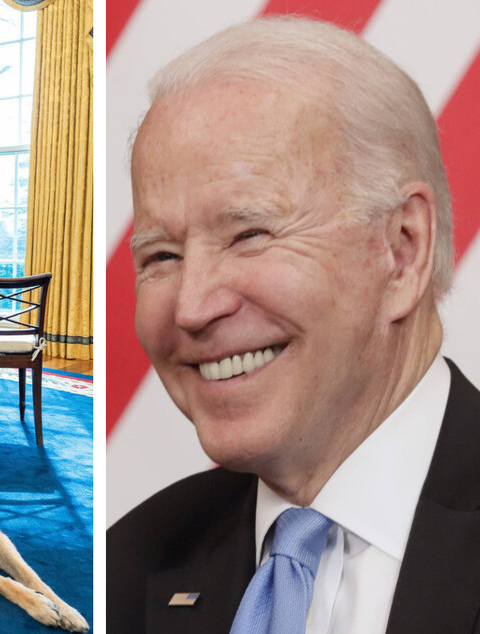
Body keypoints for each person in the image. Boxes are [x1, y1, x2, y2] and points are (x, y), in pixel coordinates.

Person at [107, 17, 480, 633]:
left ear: (403, 250)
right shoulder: (129, 563)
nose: (191, 307)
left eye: (249, 234)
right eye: (161, 257)